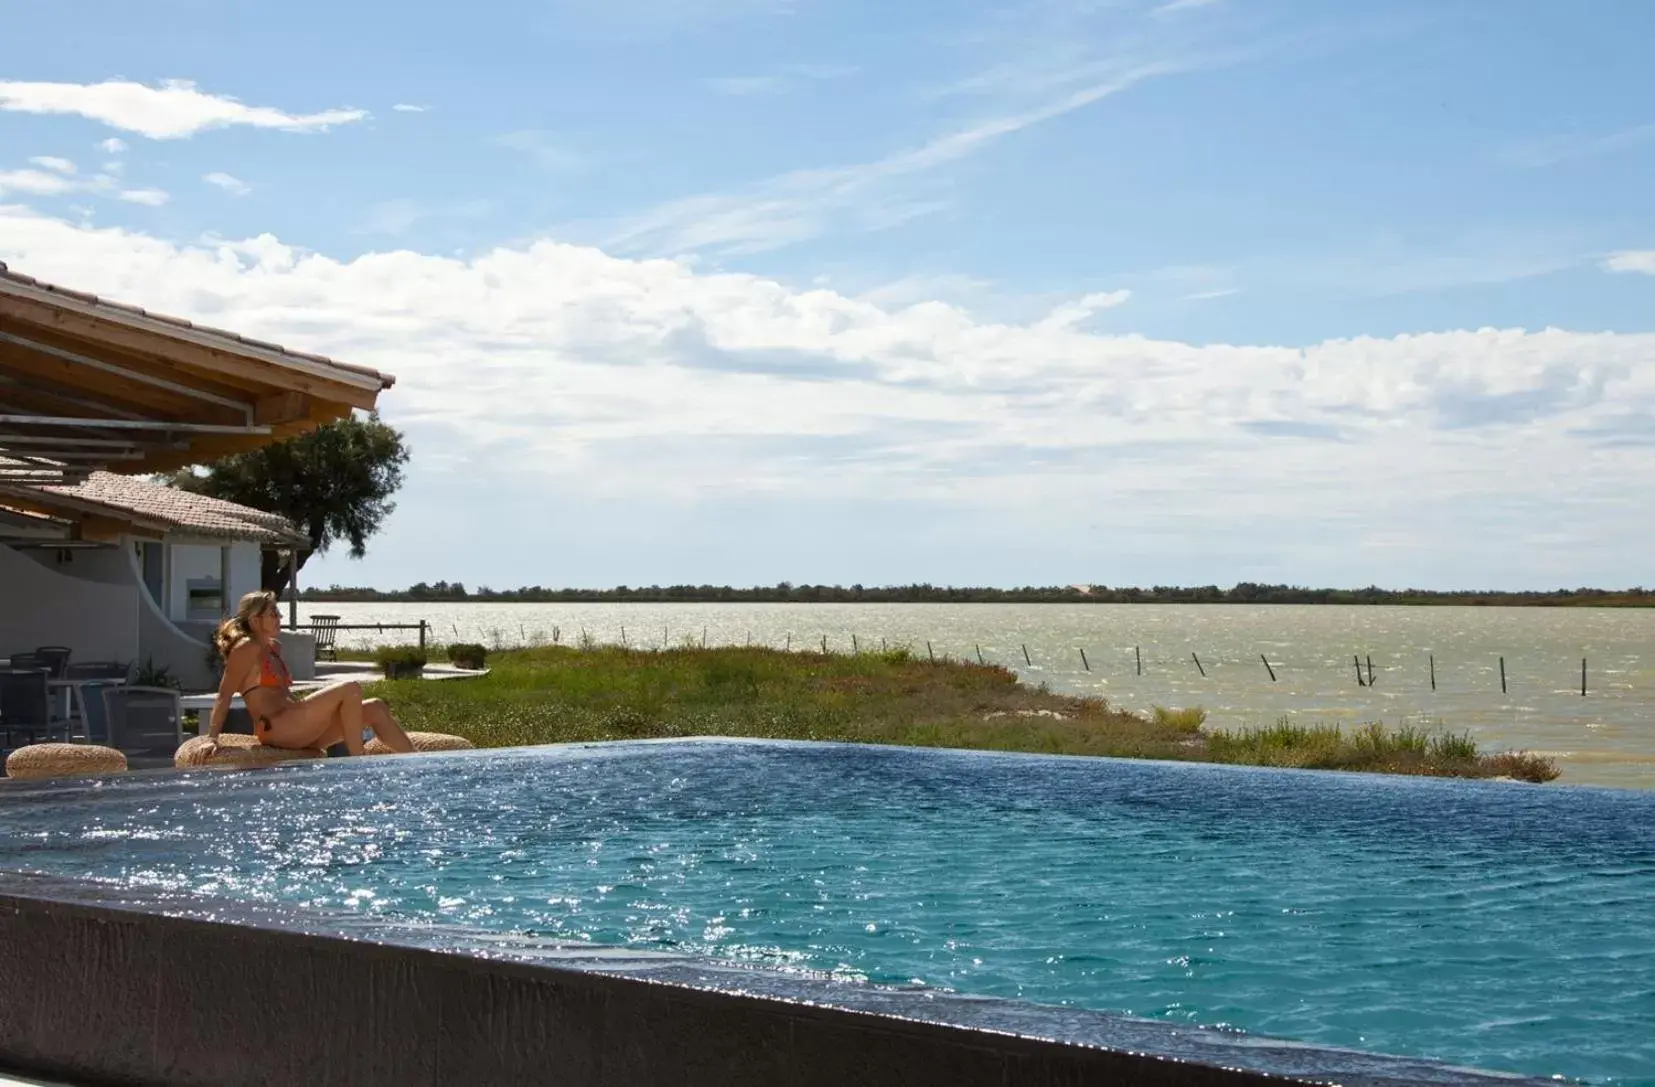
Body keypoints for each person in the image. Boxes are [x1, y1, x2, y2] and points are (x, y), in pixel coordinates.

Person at [203, 590, 415, 757]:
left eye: (278, 612)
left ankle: (417, 765)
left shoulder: (274, 647)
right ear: (255, 620)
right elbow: (224, 695)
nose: (279, 617)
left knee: (375, 707)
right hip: (278, 729)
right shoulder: (245, 648)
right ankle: (358, 761)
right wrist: (213, 738)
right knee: (351, 688)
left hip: (299, 727)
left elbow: (282, 694)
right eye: (273, 613)